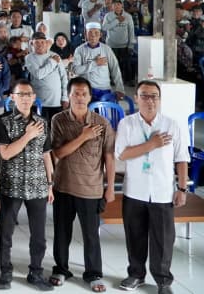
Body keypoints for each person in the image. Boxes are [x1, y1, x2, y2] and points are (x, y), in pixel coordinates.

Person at [114, 80, 189, 294]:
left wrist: (182, 189)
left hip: (163, 192)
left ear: (160, 99)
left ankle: (163, 281)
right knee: (135, 237)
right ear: (136, 98)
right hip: (134, 191)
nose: (149, 100)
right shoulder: (127, 124)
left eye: (154, 96)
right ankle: (136, 274)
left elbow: (182, 159)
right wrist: (151, 145)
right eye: (144, 95)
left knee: (163, 241)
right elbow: (122, 154)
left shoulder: (171, 124)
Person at [48, 76, 115, 292]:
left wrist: (110, 187)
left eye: (84, 93)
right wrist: (84, 136)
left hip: (91, 189)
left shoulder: (102, 123)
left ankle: (93, 273)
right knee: (61, 232)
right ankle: (61, 268)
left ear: (90, 96)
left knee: (91, 234)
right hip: (64, 186)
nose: (79, 97)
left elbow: (109, 158)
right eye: (75, 93)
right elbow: (58, 153)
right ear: (68, 95)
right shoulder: (59, 120)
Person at [0, 79, 55, 291]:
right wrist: (28, 135)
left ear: (34, 97)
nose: (25, 98)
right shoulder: (2, 121)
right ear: (12, 97)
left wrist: (49, 184)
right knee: (6, 232)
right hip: (12, 185)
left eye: (28, 94)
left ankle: (36, 272)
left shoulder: (42, 122)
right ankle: (5, 271)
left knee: (39, 234)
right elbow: (6, 153)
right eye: (20, 94)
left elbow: (47, 155)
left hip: (38, 185)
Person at [23, 32, 68, 122]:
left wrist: (65, 97)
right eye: (37, 42)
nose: (40, 45)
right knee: (41, 131)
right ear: (32, 43)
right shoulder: (29, 58)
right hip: (39, 103)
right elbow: (39, 74)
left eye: (42, 42)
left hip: (56, 101)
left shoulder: (55, 55)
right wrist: (52, 62)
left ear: (47, 43)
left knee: (56, 130)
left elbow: (63, 77)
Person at [71, 22, 124, 97]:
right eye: (90, 33)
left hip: (104, 89)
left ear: (100, 35)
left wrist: (120, 88)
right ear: (85, 34)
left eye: (96, 33)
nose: (93, 36)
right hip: (86, 90)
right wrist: (95, 63)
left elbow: (115, 69)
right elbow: (76, 70)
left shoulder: (106, 49)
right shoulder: (79, 50)